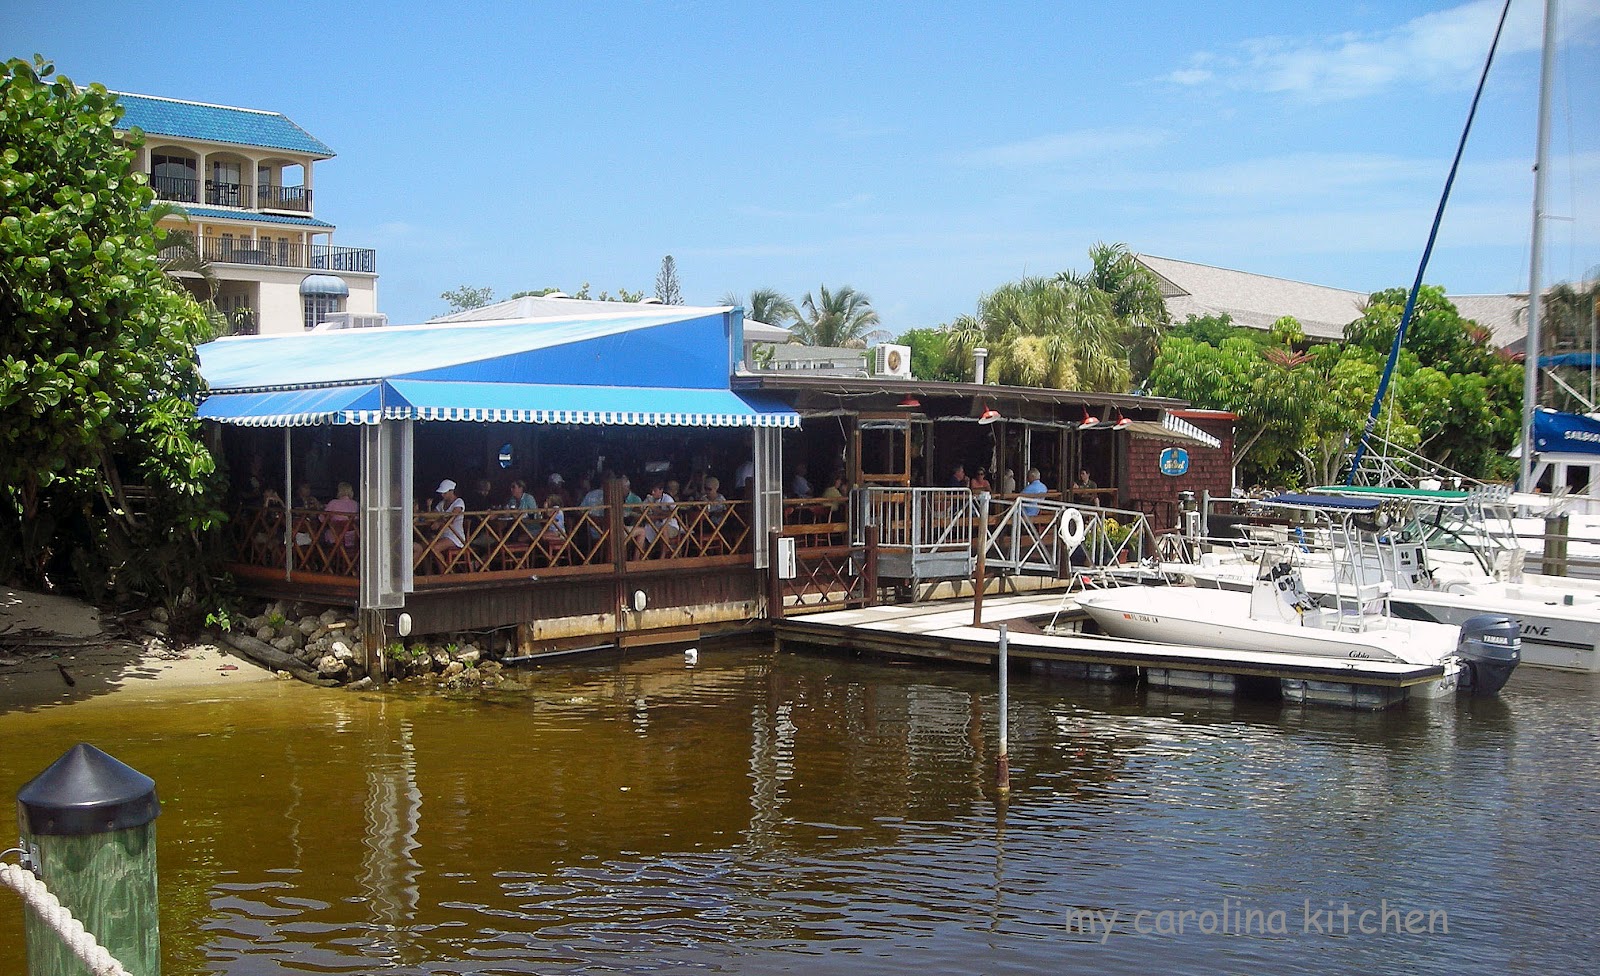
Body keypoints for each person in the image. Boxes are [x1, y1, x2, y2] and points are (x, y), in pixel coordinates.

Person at [414, 479, 467, 570]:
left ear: (451, 491)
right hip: (442, 535)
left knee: (434, 548)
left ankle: (444, 573)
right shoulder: (442, 503)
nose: (442, 495)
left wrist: (439, 522)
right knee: (424, 546)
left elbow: (452, 518)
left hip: (455, 537)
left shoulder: (459, 502)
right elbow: (433, 515)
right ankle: (428, 573)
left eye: (444, 493)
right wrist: (428, 508)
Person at [630, 482, 681, 554]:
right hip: (654, 525)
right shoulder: (650, 498)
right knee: (642, 531)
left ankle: (662, 556)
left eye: (655, 491)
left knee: (663, 529)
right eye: (652, 491)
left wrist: (656, 511)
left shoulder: (667, 499)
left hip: (670, 525)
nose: (652, 493)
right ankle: (642, 556)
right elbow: (640, 507)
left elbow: (674, 513)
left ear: (661, 490)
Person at [321, 481, 359, 546]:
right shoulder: (356, 504)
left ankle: (323, 554)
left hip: (336, 537)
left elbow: (322, 519)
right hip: (353, 537)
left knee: (322, 534)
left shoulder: (333, 503)